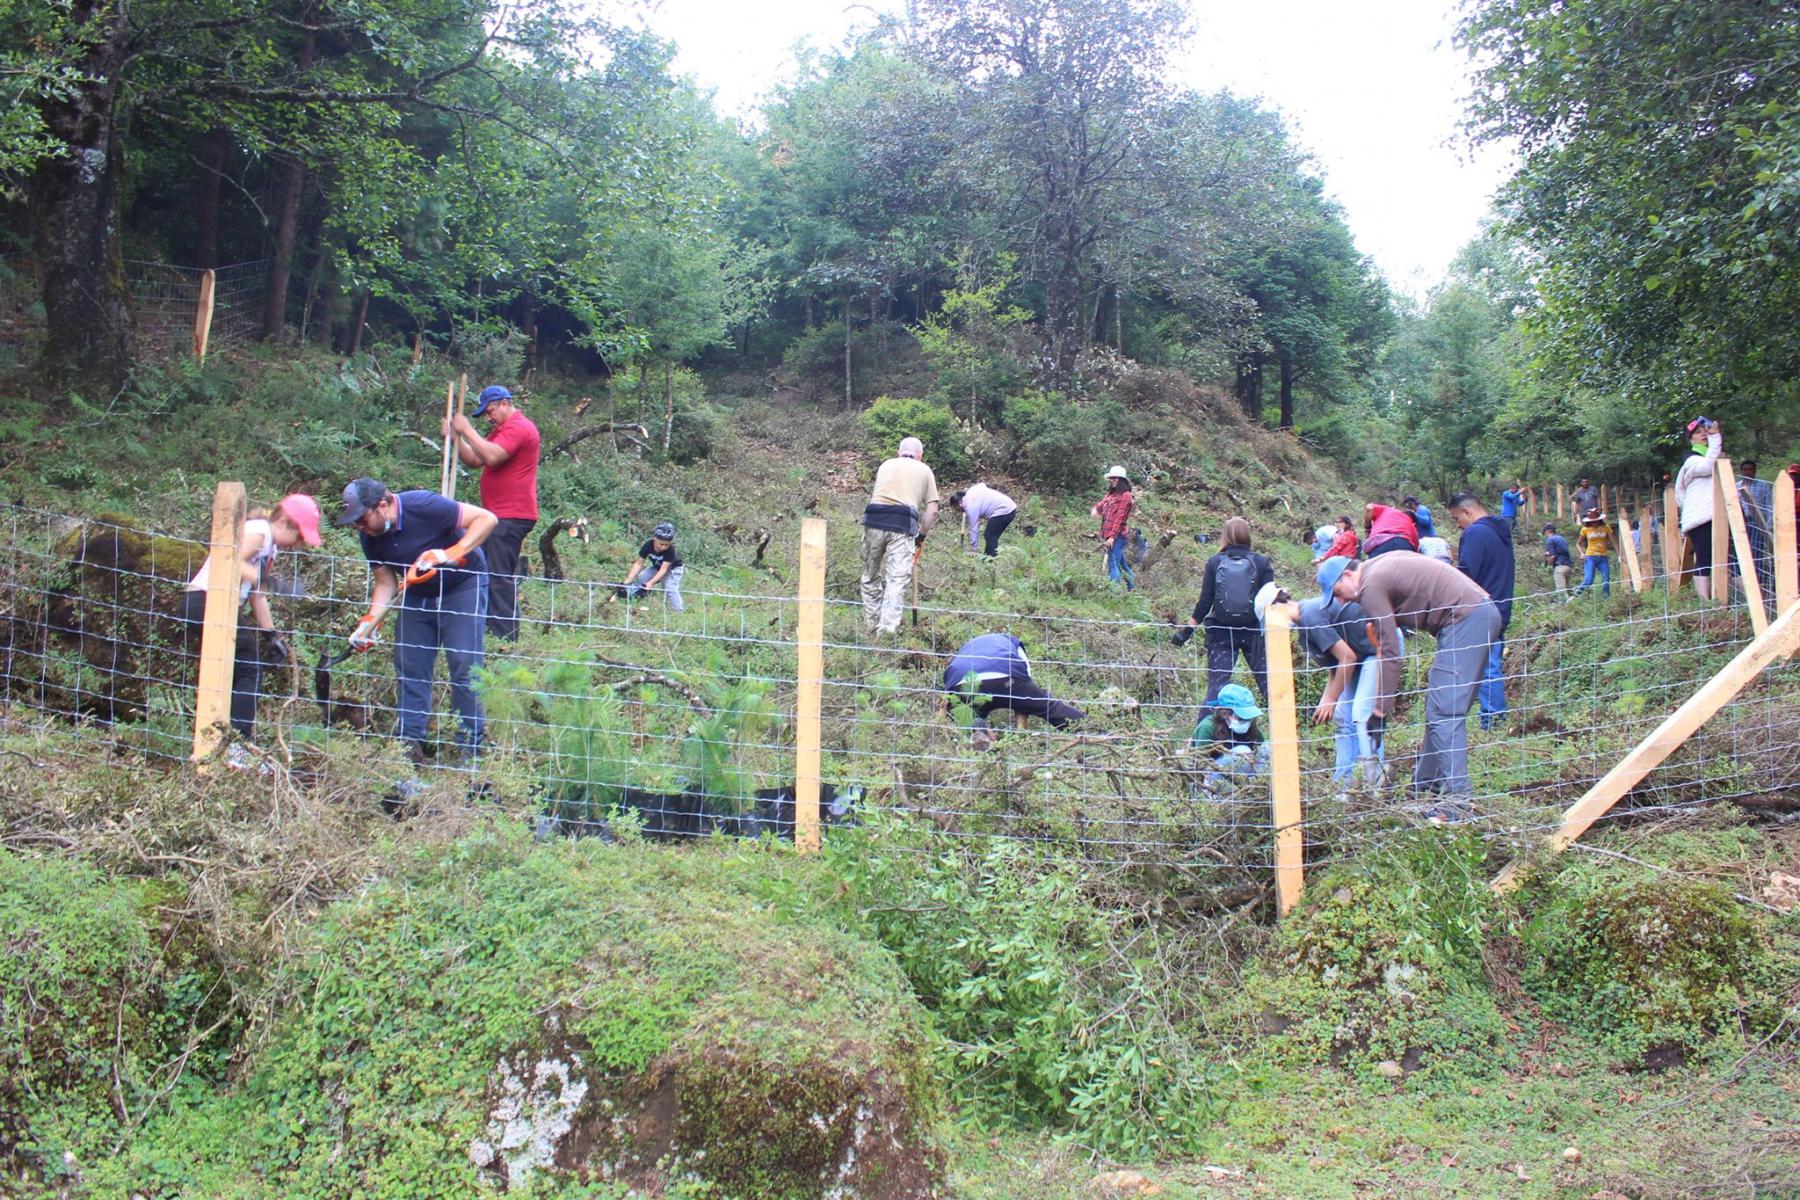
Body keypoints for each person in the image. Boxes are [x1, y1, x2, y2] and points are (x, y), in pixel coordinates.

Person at [1326, 552, 1503, 815]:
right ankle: (1422, 789)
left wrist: (1380, 710)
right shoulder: (1378, 566)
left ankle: (1458, 802)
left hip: (1466, 619)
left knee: (1445, 711)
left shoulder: (1370, 586)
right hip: (1473, 615)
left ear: (1348, 575)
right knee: (1439, 707)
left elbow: (1390, 650)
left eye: (1338, 592)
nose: (1342, 600)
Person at [338, 477, 496, 763]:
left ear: (383, 505)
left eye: (362, 519)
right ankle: (409, 748)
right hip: (417, 591)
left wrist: (450, 553)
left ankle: (471, 748)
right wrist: (370, 622)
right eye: (355, 522)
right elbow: (385, 581)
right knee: (410, 664)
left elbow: (486, 519)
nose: (359, 527)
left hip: (463, 585)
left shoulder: (424, 505)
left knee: (464, 665)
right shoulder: (370, 536)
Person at [179, 494, 322, 769]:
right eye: (300, 535)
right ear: (284, 521)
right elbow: (230, 560)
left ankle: (215, 746)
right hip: (206, 600)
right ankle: (236, 747)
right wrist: (272, 582)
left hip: (223, 604)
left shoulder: (269, 546)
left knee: (235, 672)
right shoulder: (259, 532)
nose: (300, 544)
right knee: (248, 668)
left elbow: (258, 595)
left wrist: (272, 636)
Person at [447, 384, 539, 642]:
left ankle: (505, 639)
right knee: (487, 571)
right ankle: (491, 629)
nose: (489, 417)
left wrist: (466, 429)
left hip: (511, 515)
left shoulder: (519, 427)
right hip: (496, 516)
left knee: (497, 575)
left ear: (505, 404)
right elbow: (476, 459)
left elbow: (494, 456)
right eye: (486, 414)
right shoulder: (503, 429)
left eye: (490, 411)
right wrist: (457, 438)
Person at [1296, 559, 1395, 789]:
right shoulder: (1309, 617)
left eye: (1338, 592)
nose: (1340, 599)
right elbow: (1338, 663)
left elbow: (1346, 658)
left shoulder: (1309, 614)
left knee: (1362, 711)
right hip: (1358, 657)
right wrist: (1329, 698)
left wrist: (1330, 698)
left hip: (1375, 651)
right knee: (1343, 715)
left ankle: (1376, 778)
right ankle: (1344, 781)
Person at [1171, 515, 1275, 701]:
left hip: (1220, 633)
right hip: (1253, 633)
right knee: (1270, 686)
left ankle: (1204, 729)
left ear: (1225, 537)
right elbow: (1270, 600)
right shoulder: (1261, 563)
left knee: (1216, 689)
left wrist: (1186, 632)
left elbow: (1205, 602)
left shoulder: (1215, 562)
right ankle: (1286, 727)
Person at [944, 632, 1084, 750]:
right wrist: (1020, 729)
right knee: (1047, 706)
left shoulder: (967, 647)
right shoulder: (1015, 645)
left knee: (966, 712)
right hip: (1006, 678)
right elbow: (1024, 681)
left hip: (963, 682)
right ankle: (1087, 728)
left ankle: (980, 733)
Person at [1449, 491, 1515, 730]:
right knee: (1490, 663)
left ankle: (1493, 721)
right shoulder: (1499, 530)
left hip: (1481, 610)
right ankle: (1493, 718)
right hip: (1500, 604)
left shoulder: (1475, 533)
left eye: (1457, 519)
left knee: (1487, 668)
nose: (1458, 525)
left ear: (1467, 511)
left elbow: (1466, 574)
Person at [860, 436, 940, 635]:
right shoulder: (925, 470)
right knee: (896, 579)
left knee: (870, 576)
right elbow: (932, 511)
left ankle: (871, 626)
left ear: (899, 453)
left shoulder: (886, 464)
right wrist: (921, 536)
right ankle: (886, 632)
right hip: (902, 524)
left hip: (873, 519)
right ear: (920, 455)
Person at [1186, 683, 1268, 790]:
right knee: (1243, 750)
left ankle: (1258, 789)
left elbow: (1263, 752)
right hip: (1210, 781)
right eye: (1242, 717)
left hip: (1242, 777)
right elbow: (1199, 768)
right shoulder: (1207, 727)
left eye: (1249, 717)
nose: (1247, 721)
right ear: (1225, 713)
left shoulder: (1250, 726)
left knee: (1267, 750)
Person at [1675, 418, 1722, 599]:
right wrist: (1716, 437)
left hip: (1718, 514)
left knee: (1730, 557)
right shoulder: (1691, 460)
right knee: (1704, 557)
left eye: (1705, 431)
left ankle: (1747, 599)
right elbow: (1707, 467)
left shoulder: (1715, 456)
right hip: (1700, 517)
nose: (1703, 434)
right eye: (1698, 432)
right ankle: (1706, 601)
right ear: (1691, 439)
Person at [624, 522, 685, 610]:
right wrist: (629, 578)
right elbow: (638, 563)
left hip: (673, 569)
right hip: (658, 567)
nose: (663, 547)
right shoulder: (648, 545)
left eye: (667, 545)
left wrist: (651, 582)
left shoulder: (671, 551)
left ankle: (678, 610)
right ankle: (640, 595)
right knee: (642, 577)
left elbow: (664, 570)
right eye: (661, 544)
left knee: (669, 588)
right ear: (655, 539)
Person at [1091, 466, 1135, 588]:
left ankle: (1113, 591)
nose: (1112, 480)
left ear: (1121, 480)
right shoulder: (1111, 495)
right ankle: (1132, 589)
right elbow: (1099, 506)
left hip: (1118, 536)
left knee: (1113, 564)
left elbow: (1120, 518)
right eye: (1111, 478)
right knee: (1122, 565)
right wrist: (1095, 510)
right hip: (1108, 534)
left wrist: (1112, 537)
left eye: (1114, 478)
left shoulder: (1126, 495)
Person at [950, 483, 1017, 557]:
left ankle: (991, 559)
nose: (959, 511)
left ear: (959, 503)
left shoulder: (970, 506)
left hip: (1003, 510)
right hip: (1010, 507)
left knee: (990, 535)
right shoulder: (971, 491)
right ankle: (987, 556)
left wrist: (974, 547)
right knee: (992, 536)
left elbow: (974, 528)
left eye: (957, 509)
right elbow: (982, 485)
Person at [1573, 507, 1612, 597]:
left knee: (1606, 580)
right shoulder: (1585, 529)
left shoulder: (1606, 528)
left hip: (1603, 557)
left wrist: (1619, 555)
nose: (1594, 523)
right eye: (1592, 521)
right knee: (1588, 580)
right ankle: (1576, 594)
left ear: (1599, 520)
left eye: (1596, 521)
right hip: (1590, 556)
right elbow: (1578, 544)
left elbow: (1613, 540)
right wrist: (1582, 553)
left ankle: (1606, 600)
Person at [1543, 523, 1573, 592]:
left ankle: (1562, 602)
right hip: (1568, 566)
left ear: (1547, 531)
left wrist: (1549, 562)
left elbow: (1553, 556)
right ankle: (1572, 602)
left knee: (1560, 590)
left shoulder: (1550, 540)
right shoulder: (1562, 539)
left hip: (1559, 567)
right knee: (1568, 590)